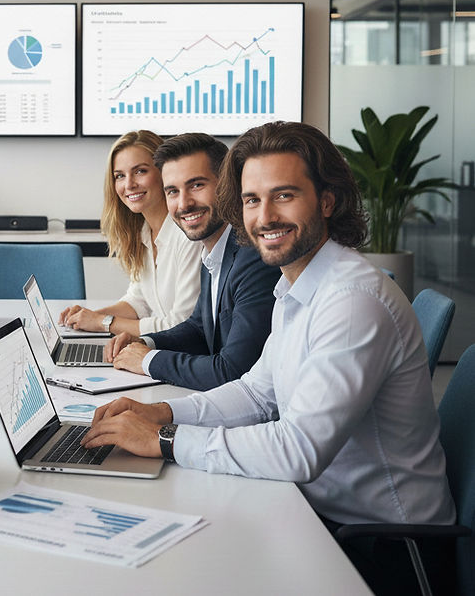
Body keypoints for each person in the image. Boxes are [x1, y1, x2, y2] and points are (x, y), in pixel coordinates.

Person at [82, 121, 455, 594]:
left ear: (326, 200)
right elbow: (256, 393)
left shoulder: (353, 300)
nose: (264, 217)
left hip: (385, 548)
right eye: (252, 200)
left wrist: (165, 438)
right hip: (314, 512)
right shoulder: (296, 284)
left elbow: (300, 451)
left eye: (284, 195)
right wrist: (161, 411)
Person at [102, 133, 279, 390]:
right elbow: (198, 328)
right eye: (173, 191)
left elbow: (233, 371)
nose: (183, 203)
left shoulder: (253, 257)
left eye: (196, 185)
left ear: (227, 185)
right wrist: (147, 342)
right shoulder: (214, 250)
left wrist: (148, 360)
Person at [59, 129, 201, 336]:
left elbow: (180, 324)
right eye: (119, 176)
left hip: (184, 355)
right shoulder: (143, 232)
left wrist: (103, 322)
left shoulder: (188, 235)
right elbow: (138, 302)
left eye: (140, 171)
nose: (129, 185)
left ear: (164, 172)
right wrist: (87, 317)